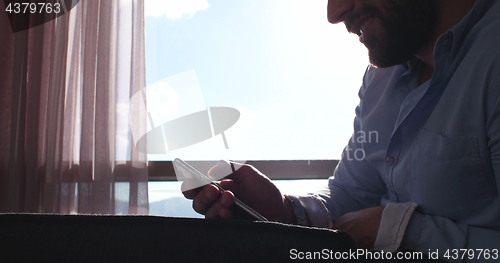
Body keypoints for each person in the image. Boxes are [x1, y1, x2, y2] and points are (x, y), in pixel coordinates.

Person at [183, 0, 500, 261]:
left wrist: (396, 232)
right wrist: (283, 209)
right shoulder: (381, 79)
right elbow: (351, 194)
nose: (333, 14)